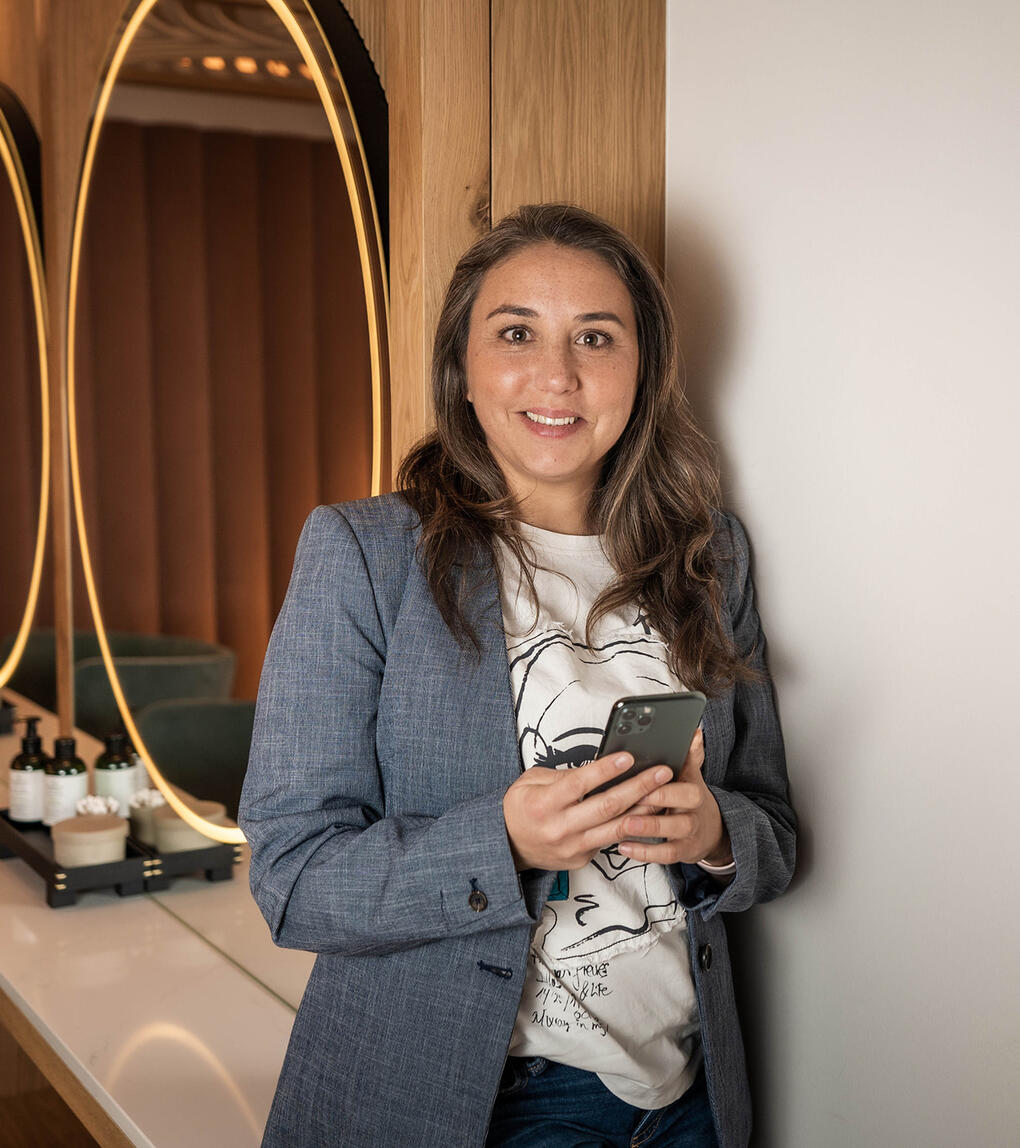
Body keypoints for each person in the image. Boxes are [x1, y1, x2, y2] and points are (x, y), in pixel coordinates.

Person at [238, 203, 796, 1148]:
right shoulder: (366, 556)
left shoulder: (712, 558)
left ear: (645, 368)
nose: (558, 374)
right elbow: (292, 880)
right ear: (462, 368)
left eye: (596, 337)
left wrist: (712, 835)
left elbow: (773, 831)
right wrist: (501, 841)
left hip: (690, 1098)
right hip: (479, 1104)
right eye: (516, 333)